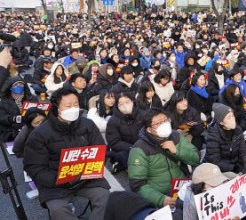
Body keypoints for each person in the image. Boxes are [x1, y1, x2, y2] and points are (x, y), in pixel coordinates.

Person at [23, 87, 110, 219]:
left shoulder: (88, 125)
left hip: (86, 178)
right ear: (57, 108)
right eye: (68, 106)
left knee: (104, 196)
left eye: (76, 104)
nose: (73, 109)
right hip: (55, 182)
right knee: (57, 209)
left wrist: (91, 170)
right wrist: (58, 179)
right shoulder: (40, 134)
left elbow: (101, 150)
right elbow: (33, 167)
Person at [128, 109, 200, 209]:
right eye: (159, 123)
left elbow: (196, 158)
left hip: (182, 187)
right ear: (149, 129)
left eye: (166, 120)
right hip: (159, 193)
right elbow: (137, 184)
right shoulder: (140, 149)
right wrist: (161, 199)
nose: (164, 124)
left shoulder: (175, 136)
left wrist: (177, 151)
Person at [106, 93, 144, 173]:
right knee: (126, 158)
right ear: (117, 106)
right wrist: (133, 148)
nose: (125, 105)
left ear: (133, 101)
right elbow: (114, 142)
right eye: (121, 104)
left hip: (142, 146)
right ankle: (120, 165)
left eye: (127, 102)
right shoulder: (113, 120)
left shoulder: (142, 114)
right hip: (125, 149)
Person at [204, 103, 246, 173]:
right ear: (221, 122)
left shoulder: (238, 130)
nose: (232, 119)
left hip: (235, 165)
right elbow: (215, 161)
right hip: (219, 170)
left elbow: (243, 151)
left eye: (232, 116)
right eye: (229, 117)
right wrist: (233, 168)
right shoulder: (213, 136)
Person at [0, 77, 37, 141]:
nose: (18, 86)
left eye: (21, 84)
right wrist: (14, 119)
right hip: (12, 129)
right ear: (10, 87)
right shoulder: (4, 101)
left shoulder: (32, 98)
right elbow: (2, 117)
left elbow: (38, 111)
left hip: (29, 125)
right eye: (15, 85)